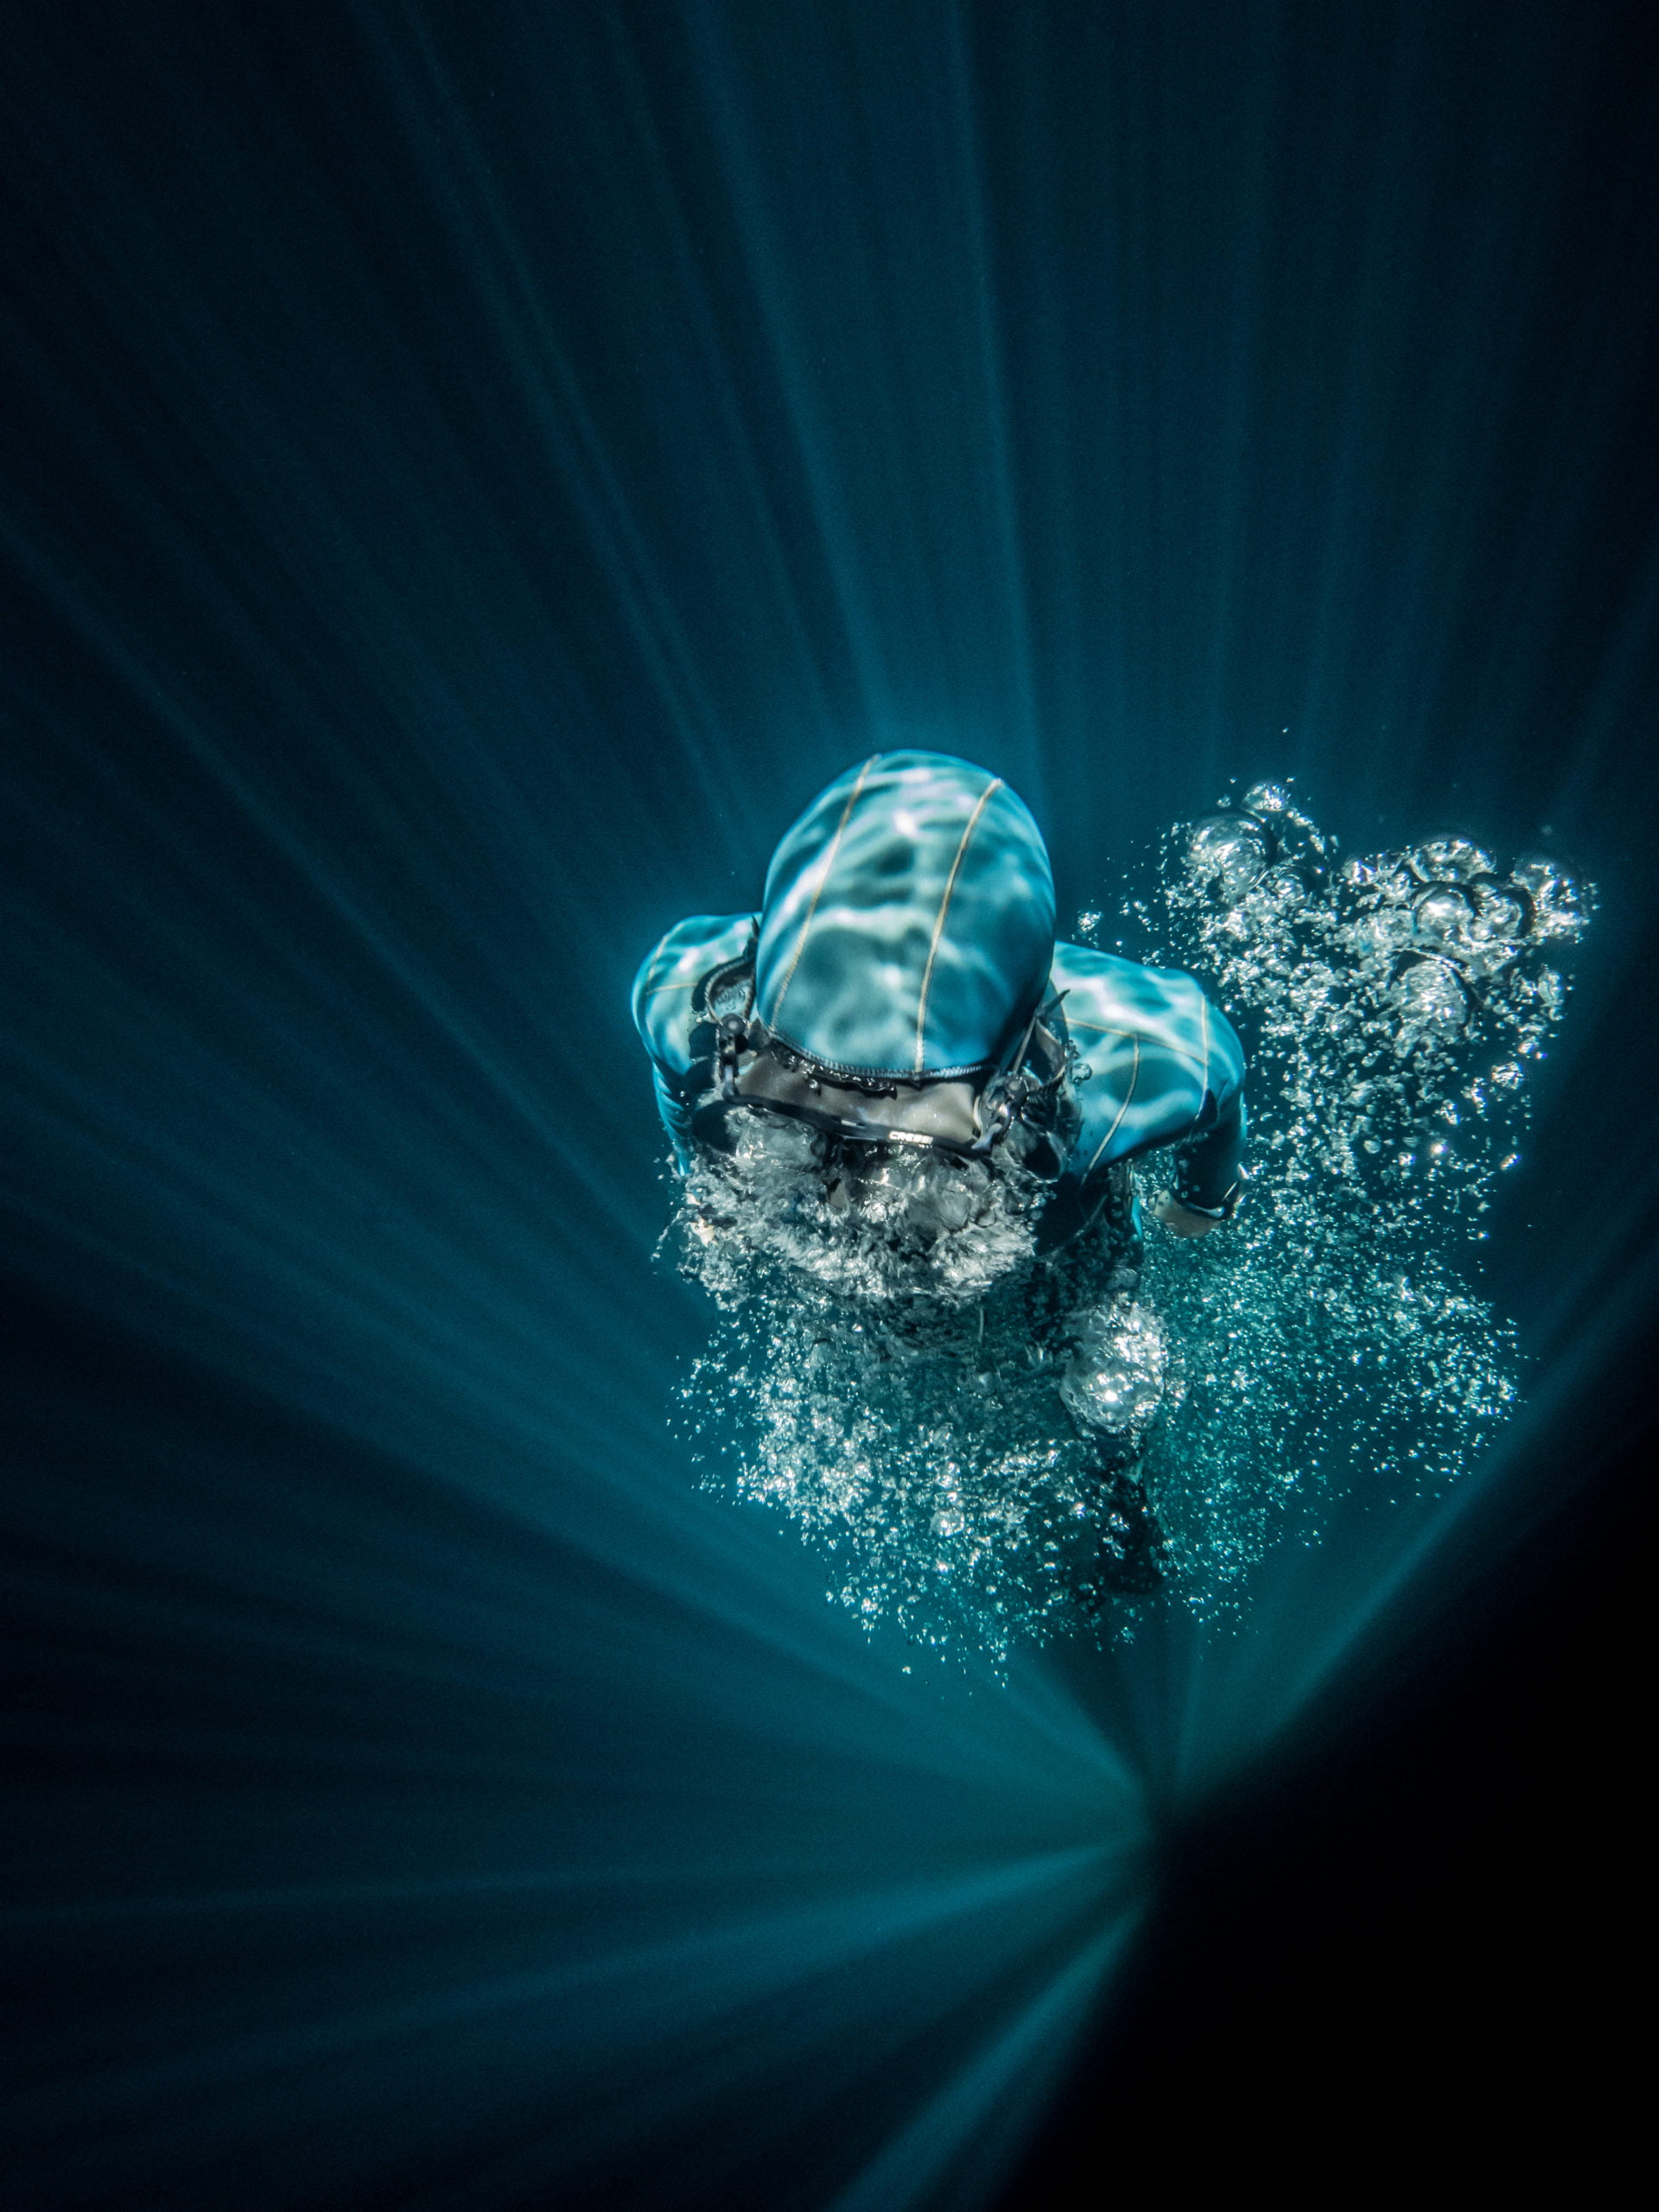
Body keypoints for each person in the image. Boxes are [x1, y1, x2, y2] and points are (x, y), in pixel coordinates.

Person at [632, 750, 1247, 1592]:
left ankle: (1123, 1498)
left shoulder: (1121, 1076)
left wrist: (1198, 1203)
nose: (855, 1174)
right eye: (796, 1091)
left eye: (918, 1125)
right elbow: (1218, 1076)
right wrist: (1205, 1199)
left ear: (1024, 1071)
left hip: (1061, 1247)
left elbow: (1219, 1070)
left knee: (1108, 1380)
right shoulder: (694, 1010)